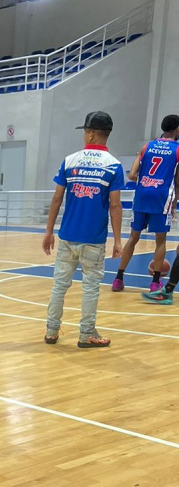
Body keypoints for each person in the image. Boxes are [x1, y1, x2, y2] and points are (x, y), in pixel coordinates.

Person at [43, 111, 123, 348]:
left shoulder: (70, 161)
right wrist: (118, 240)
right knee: (90, 288)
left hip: (68, 236)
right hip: (94, 239)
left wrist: (48, 231)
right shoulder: (114, 165)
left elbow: (57, 199)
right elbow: (115, 205)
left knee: (59, 285)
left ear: (90, 134)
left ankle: (51, 330)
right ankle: (86, 333)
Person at [111, 114, 179, 292]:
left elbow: (132, 175)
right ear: (177, 129)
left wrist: (147, 181)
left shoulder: (146, 147)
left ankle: (118, 279)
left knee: (133, 238)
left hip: (142, 195)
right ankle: (155, 282)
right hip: (161, 197)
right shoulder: (177, 150)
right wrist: (173, 203)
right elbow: (178, 181)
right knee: (160, 240)